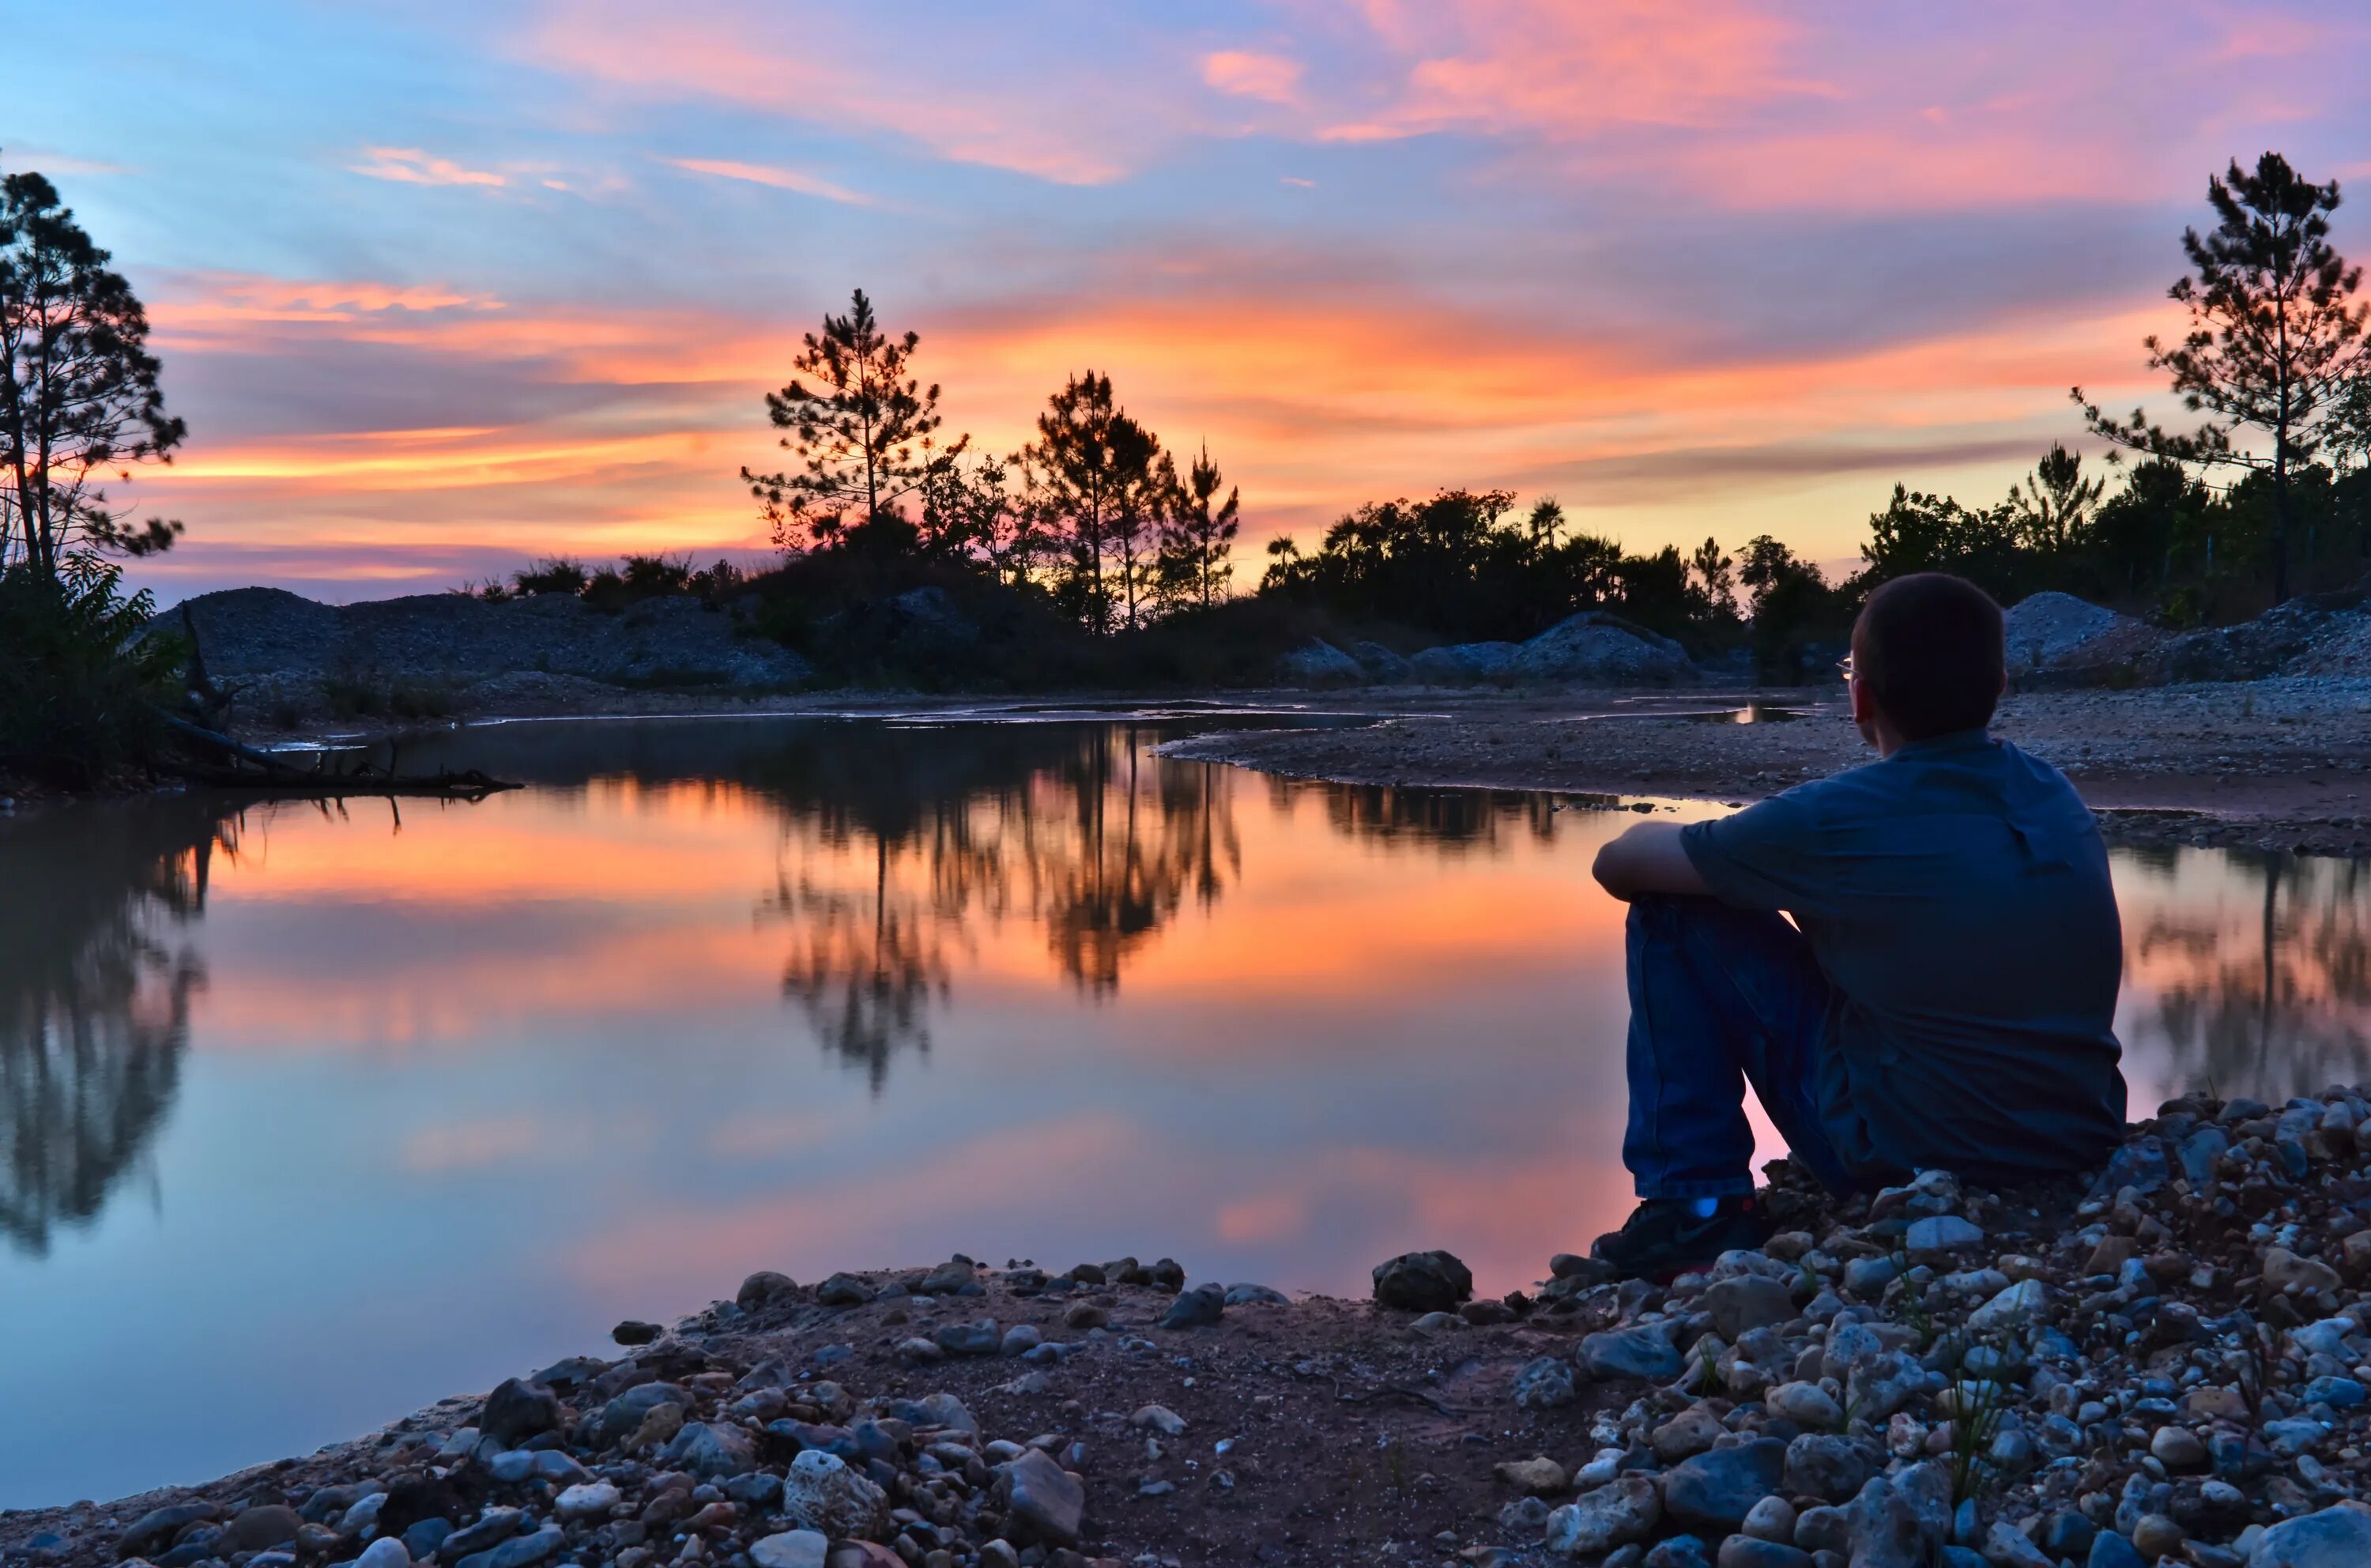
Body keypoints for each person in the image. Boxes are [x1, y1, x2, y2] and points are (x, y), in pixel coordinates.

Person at [1586, 571, 2126, 1279]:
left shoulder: (1836, 818)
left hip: (1917, 1154)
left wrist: (1747, 866)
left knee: (1672, 910)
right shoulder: (2052, 789)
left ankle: (1694, 1208)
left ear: (1860, 696)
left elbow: (1618, 865)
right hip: (2078, 1137)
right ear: (1997, 684)